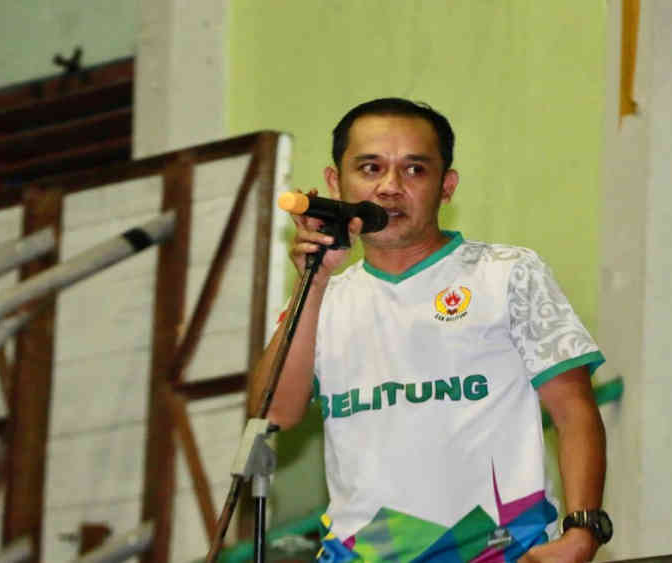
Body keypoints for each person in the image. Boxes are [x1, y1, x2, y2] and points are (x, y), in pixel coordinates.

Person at [254, 98, 610, 562]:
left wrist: (583, 532)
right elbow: (272, 413)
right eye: (370, 168)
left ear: (446, 187)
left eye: (414, 170)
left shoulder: (506, 273)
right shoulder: (323, 297)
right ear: (335, 183)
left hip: (501, 552)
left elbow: (574, 410)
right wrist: (315, 281)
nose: (389, 187)